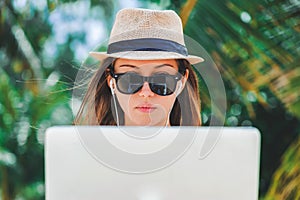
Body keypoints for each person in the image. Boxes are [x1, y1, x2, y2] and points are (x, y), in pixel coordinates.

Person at [74, 8, 204, 126]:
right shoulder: (80, 150)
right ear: (111, 81)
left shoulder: (205, 150)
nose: (146, 93)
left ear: (182, 81)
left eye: (161, 81)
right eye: (130, 80)